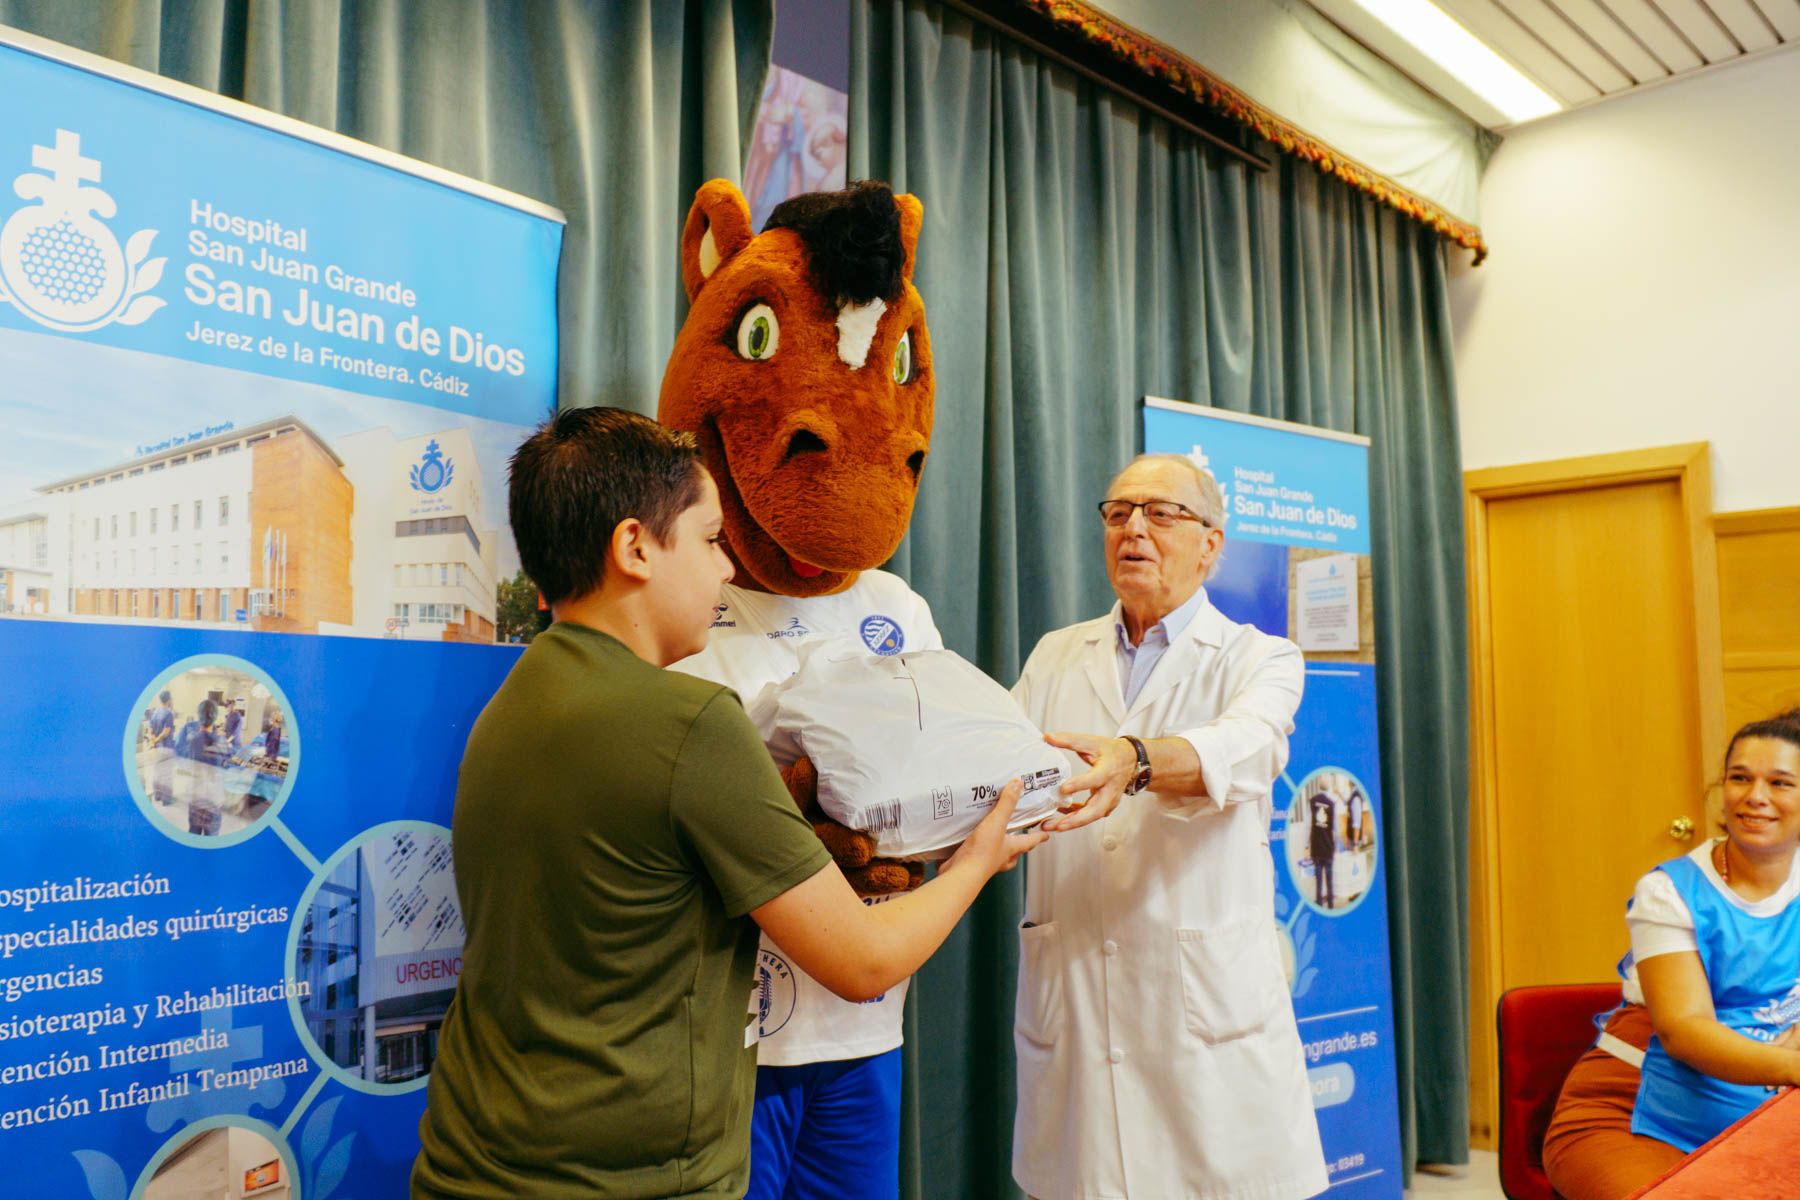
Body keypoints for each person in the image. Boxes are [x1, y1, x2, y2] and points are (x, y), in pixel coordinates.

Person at [411, 407, 1045, 1200]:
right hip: (626, 1177)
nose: (725, 571)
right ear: (635, 547)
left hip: (479, 1158)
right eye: (711, 540)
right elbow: (864, 962)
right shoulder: (691, 725)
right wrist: (980, 855)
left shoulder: (511, 707)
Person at [1009, 453, 1327, 1200]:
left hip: (1204, 1016)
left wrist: (1135, 759)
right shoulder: (1057, 654)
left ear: (1210, 544)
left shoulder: (1261, 657)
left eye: (1160, 513)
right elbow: (1001, 765)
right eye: (1118, 512)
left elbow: (1247, 747)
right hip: (1077, 996)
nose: (1134, 529)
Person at [1543, 708, 1800, 1200]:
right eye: (1740, 778)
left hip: (1757, 1114)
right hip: (1633, 1116)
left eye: (1780, 783)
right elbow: (1685, 1031)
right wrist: (1789, 1065)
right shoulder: (1668, 891)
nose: (1755, 796)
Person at [1308, 785, 1338, 907]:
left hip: (1316, 848)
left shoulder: (1312, 801)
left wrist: (1306, 846)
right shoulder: (1332, 803)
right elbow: (1336, 829)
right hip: (1328, 848)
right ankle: (1330, 905)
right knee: (1330, 880)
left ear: (1318, 787)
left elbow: (1308, 826)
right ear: (1328, 788)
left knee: (1318, 880)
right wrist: (1336, 846)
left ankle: (1319, 904)